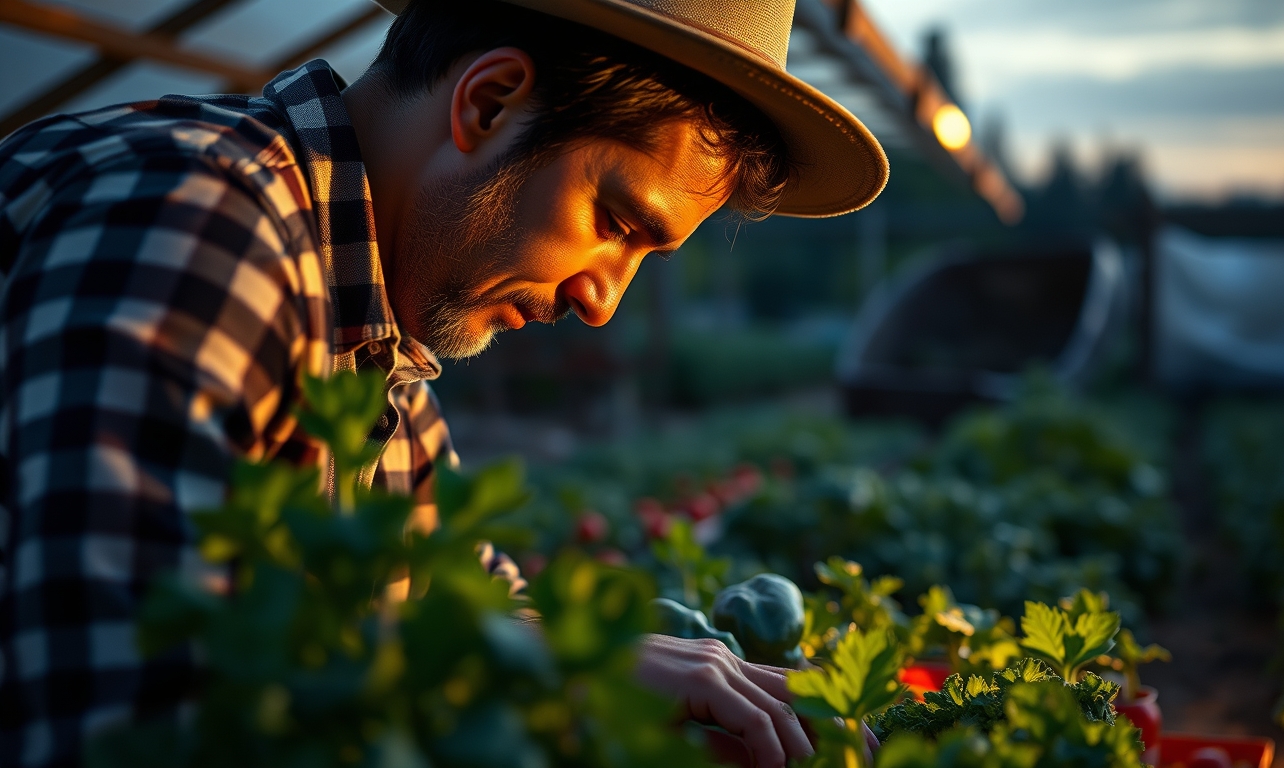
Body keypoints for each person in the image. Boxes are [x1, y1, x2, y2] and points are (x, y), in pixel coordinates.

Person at [0, 1, 888, 766]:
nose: (603, 301)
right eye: (614, 222)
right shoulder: (192, 228)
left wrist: (617, 663)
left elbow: (465, 599)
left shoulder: (373, 344)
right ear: (489, 101)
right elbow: (122, 709)